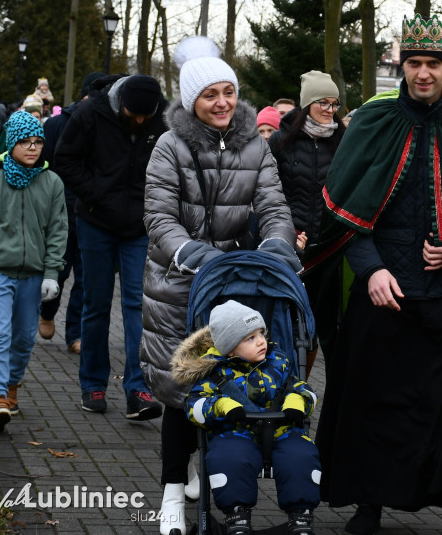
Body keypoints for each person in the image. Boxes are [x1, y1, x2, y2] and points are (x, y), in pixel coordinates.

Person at [313, 14, 442, 535]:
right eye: (414, 63)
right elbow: (342, 215)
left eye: (433, 64)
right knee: (373, 400)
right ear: (401, 65)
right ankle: (367, 504)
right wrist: (372, 269)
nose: (423, 73)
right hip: (382, 291)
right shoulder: (374, 119)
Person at [141, 35, 297, 535]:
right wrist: (195, 256)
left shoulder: (255, 144)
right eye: (211, 94)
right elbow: (160, 216)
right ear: (192, 100)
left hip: (237, 283)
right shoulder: (169, 146)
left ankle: (212, 475)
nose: (223, 103)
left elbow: (273, 203)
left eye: (228, 92)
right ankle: (170, 496)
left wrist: (277, 247)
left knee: (228, 384)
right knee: (180, 388)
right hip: (178, 282)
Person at [54, 73, 169, 421]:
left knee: (139, 304)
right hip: (96, 221)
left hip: (140, 225)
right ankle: (93, 383)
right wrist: (95, 194)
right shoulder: (91, 114)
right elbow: (66, 159)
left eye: (144, 117)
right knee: (96, 302)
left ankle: (138, 387)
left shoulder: (162, 118)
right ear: (121, 103)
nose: (138, 121)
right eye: (133, 114)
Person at [172, 300, 320, 535]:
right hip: (235, 433)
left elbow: (303, 388)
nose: (261, 341)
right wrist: (220, 405)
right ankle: (237, 516)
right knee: (229, 456)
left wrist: (297, 400)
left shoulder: (278, 363)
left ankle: (301, 516)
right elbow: (194, 405)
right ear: (230, 349)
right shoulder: (215, 373)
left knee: (301, 454)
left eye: (261, 333)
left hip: (282, 432)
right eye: (249, 338)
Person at [0, 112, 67, 432]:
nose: (33, 148)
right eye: (25, 142)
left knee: (23, 338)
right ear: (12, 142)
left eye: (38, 142)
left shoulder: (51, 182)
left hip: (34, 274)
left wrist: (52, 273)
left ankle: (11, 385)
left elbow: (57, 231)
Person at [269, 70, 346, 380]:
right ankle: (285, 382)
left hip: (331, 247)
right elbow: (270, 191)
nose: (329, 110)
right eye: (323, 103)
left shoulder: (344, 140)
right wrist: (287, 230)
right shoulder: (281, 141)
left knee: (325, 324)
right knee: (290, 321)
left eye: (334, 104)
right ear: (307, 104)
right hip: (292, 244)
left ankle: (310, 387)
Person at [41, 71, 108, 355]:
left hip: (92, 213)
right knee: (57, 269)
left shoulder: (109, 126)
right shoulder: (57, 124)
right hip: (59, 211)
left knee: (85, 276)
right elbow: (42, 165)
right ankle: (47, 310)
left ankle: (75, 334)